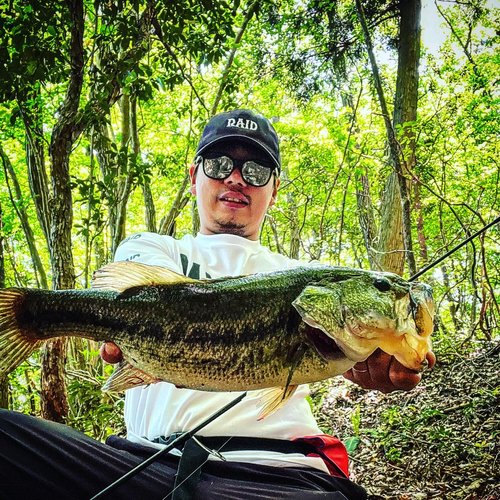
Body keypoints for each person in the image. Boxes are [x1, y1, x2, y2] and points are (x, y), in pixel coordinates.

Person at [0, 109, 435, 500]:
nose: (235, 177)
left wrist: (368, 361)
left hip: (282, 475)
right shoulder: (153, 248)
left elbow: (360, 360)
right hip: (144, 465)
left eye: (257, 169)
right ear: (194, 177)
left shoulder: (302, 271)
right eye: (219, 164)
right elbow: (138, 298)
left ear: (275, 189)